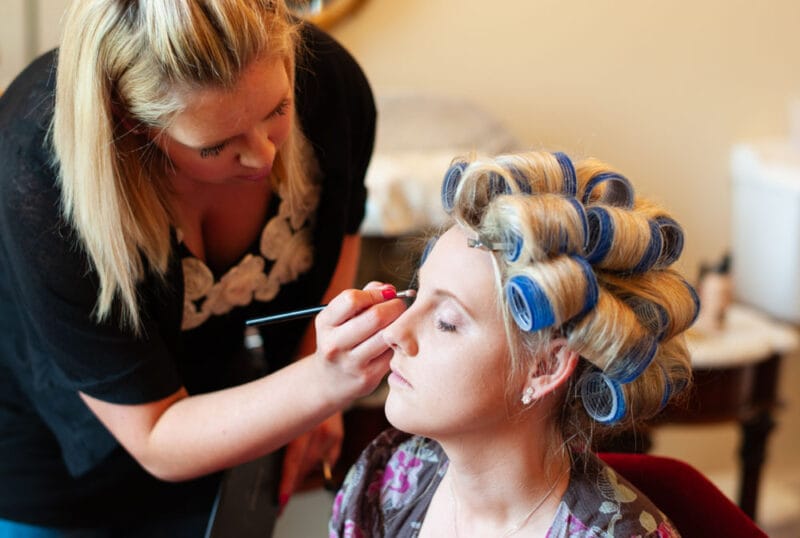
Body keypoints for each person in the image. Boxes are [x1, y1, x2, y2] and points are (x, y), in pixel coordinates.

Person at [0, 0, 403, 535]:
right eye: (216, 145)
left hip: (233, 416)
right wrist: (325, 382)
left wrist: (312, 392)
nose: (261, 156)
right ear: (131, 120)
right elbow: (158, 436)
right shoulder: (41, 166)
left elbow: (341, 226)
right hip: (56, 454)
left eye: (277, 111)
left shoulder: (330, 86)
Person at [329, 150, 700, 537]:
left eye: (446, 322)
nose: (395, 332)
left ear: (544, 367)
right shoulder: (388, 479)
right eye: (416, 294)